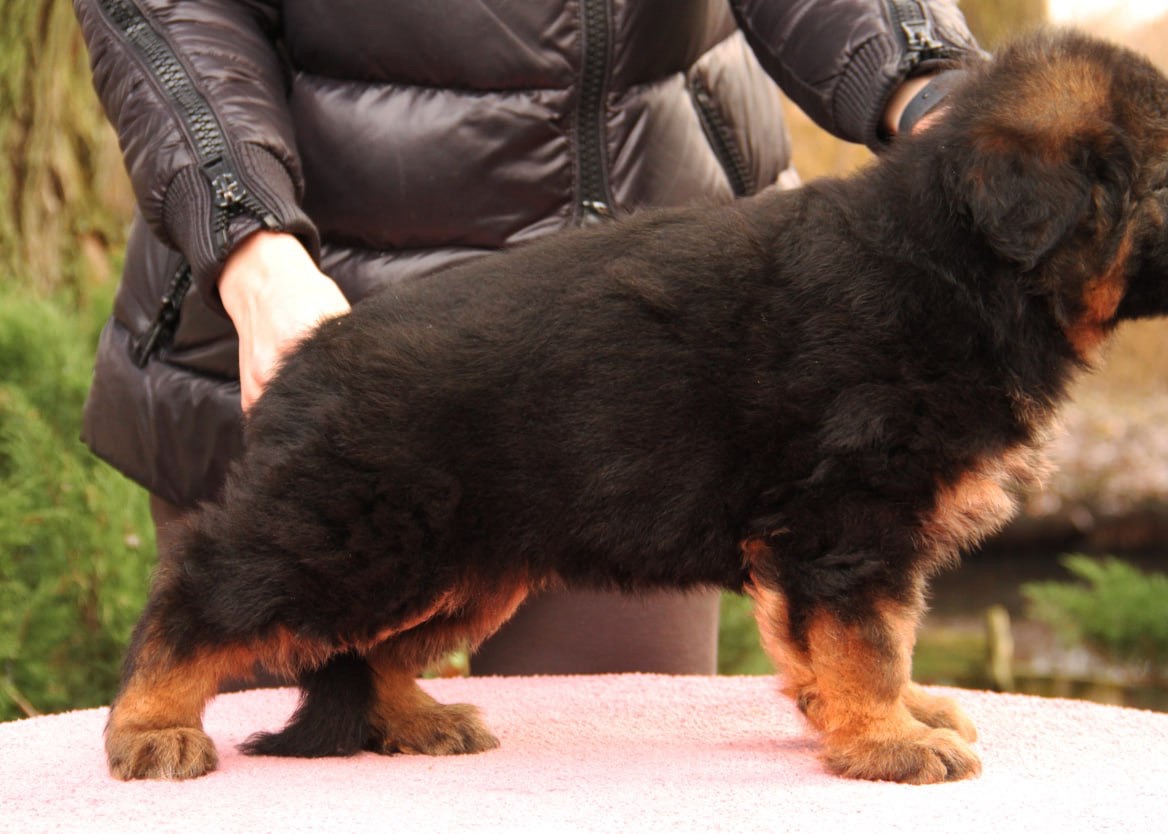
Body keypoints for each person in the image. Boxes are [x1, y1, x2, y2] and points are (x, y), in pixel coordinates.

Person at [73, 0, 981, 677]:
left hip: (647, 364)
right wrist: (249, 241)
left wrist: (935, 88)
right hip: (299, 301)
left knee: (622, 790)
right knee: (277, 764)